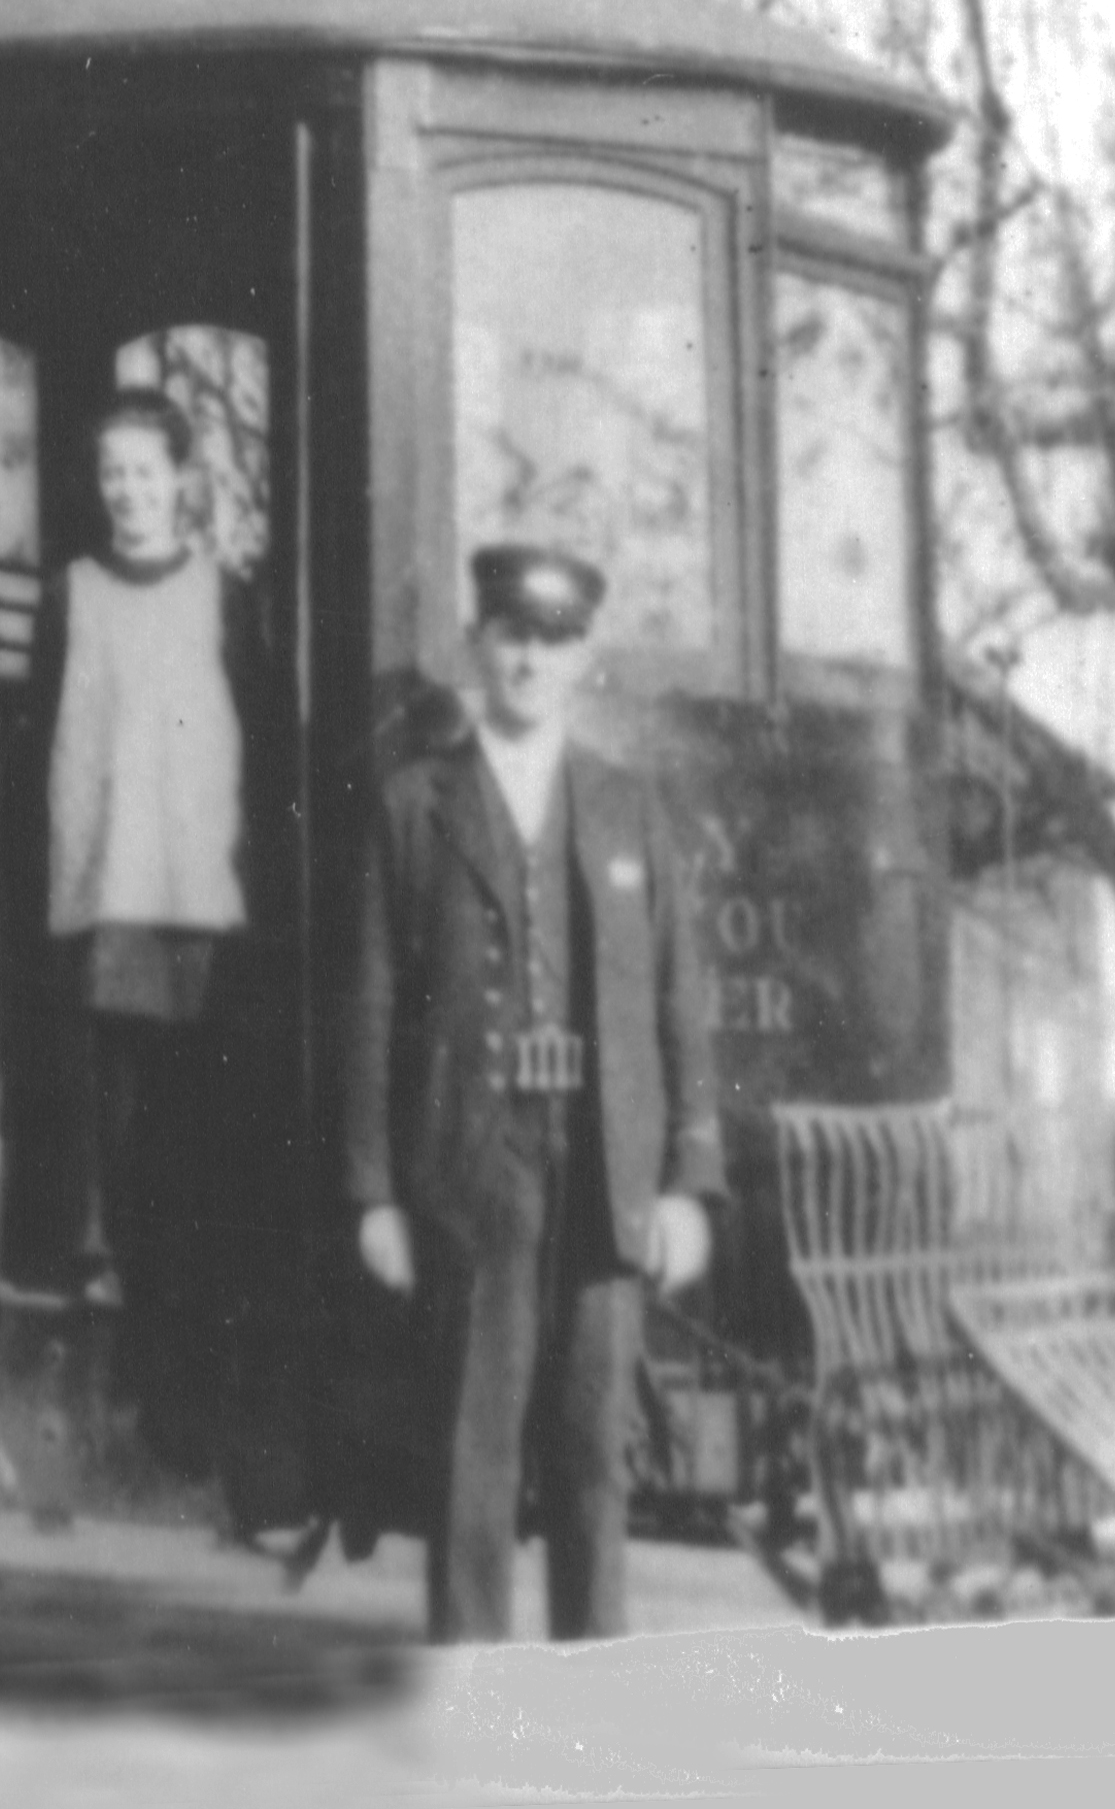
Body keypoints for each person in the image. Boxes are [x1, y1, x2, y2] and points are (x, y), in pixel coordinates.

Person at [339, 544, 724, 1643]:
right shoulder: (415, 806)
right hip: (472, 1166)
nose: (530, 660)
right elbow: (370, 1006)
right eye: (511, 635)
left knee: (595, 1462)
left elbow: (678, 1005)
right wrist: (372, 1194)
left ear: (583, 659)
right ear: (478, 644)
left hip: (607, 1171)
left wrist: (690, 1184)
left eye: (554, 642)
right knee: (473, 1462)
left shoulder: (628, 807)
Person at [37, 388, 265, 1305]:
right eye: (112, 473)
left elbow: (257, 733)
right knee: (110, 1078)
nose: (127, 491)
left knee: (196, 1076)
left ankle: (189, 1262)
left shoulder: (226, 598)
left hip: (198, 874)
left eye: (144, 472)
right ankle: (102, 1252)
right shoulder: (72, 594)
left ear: (180, 482)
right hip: (106, 871)